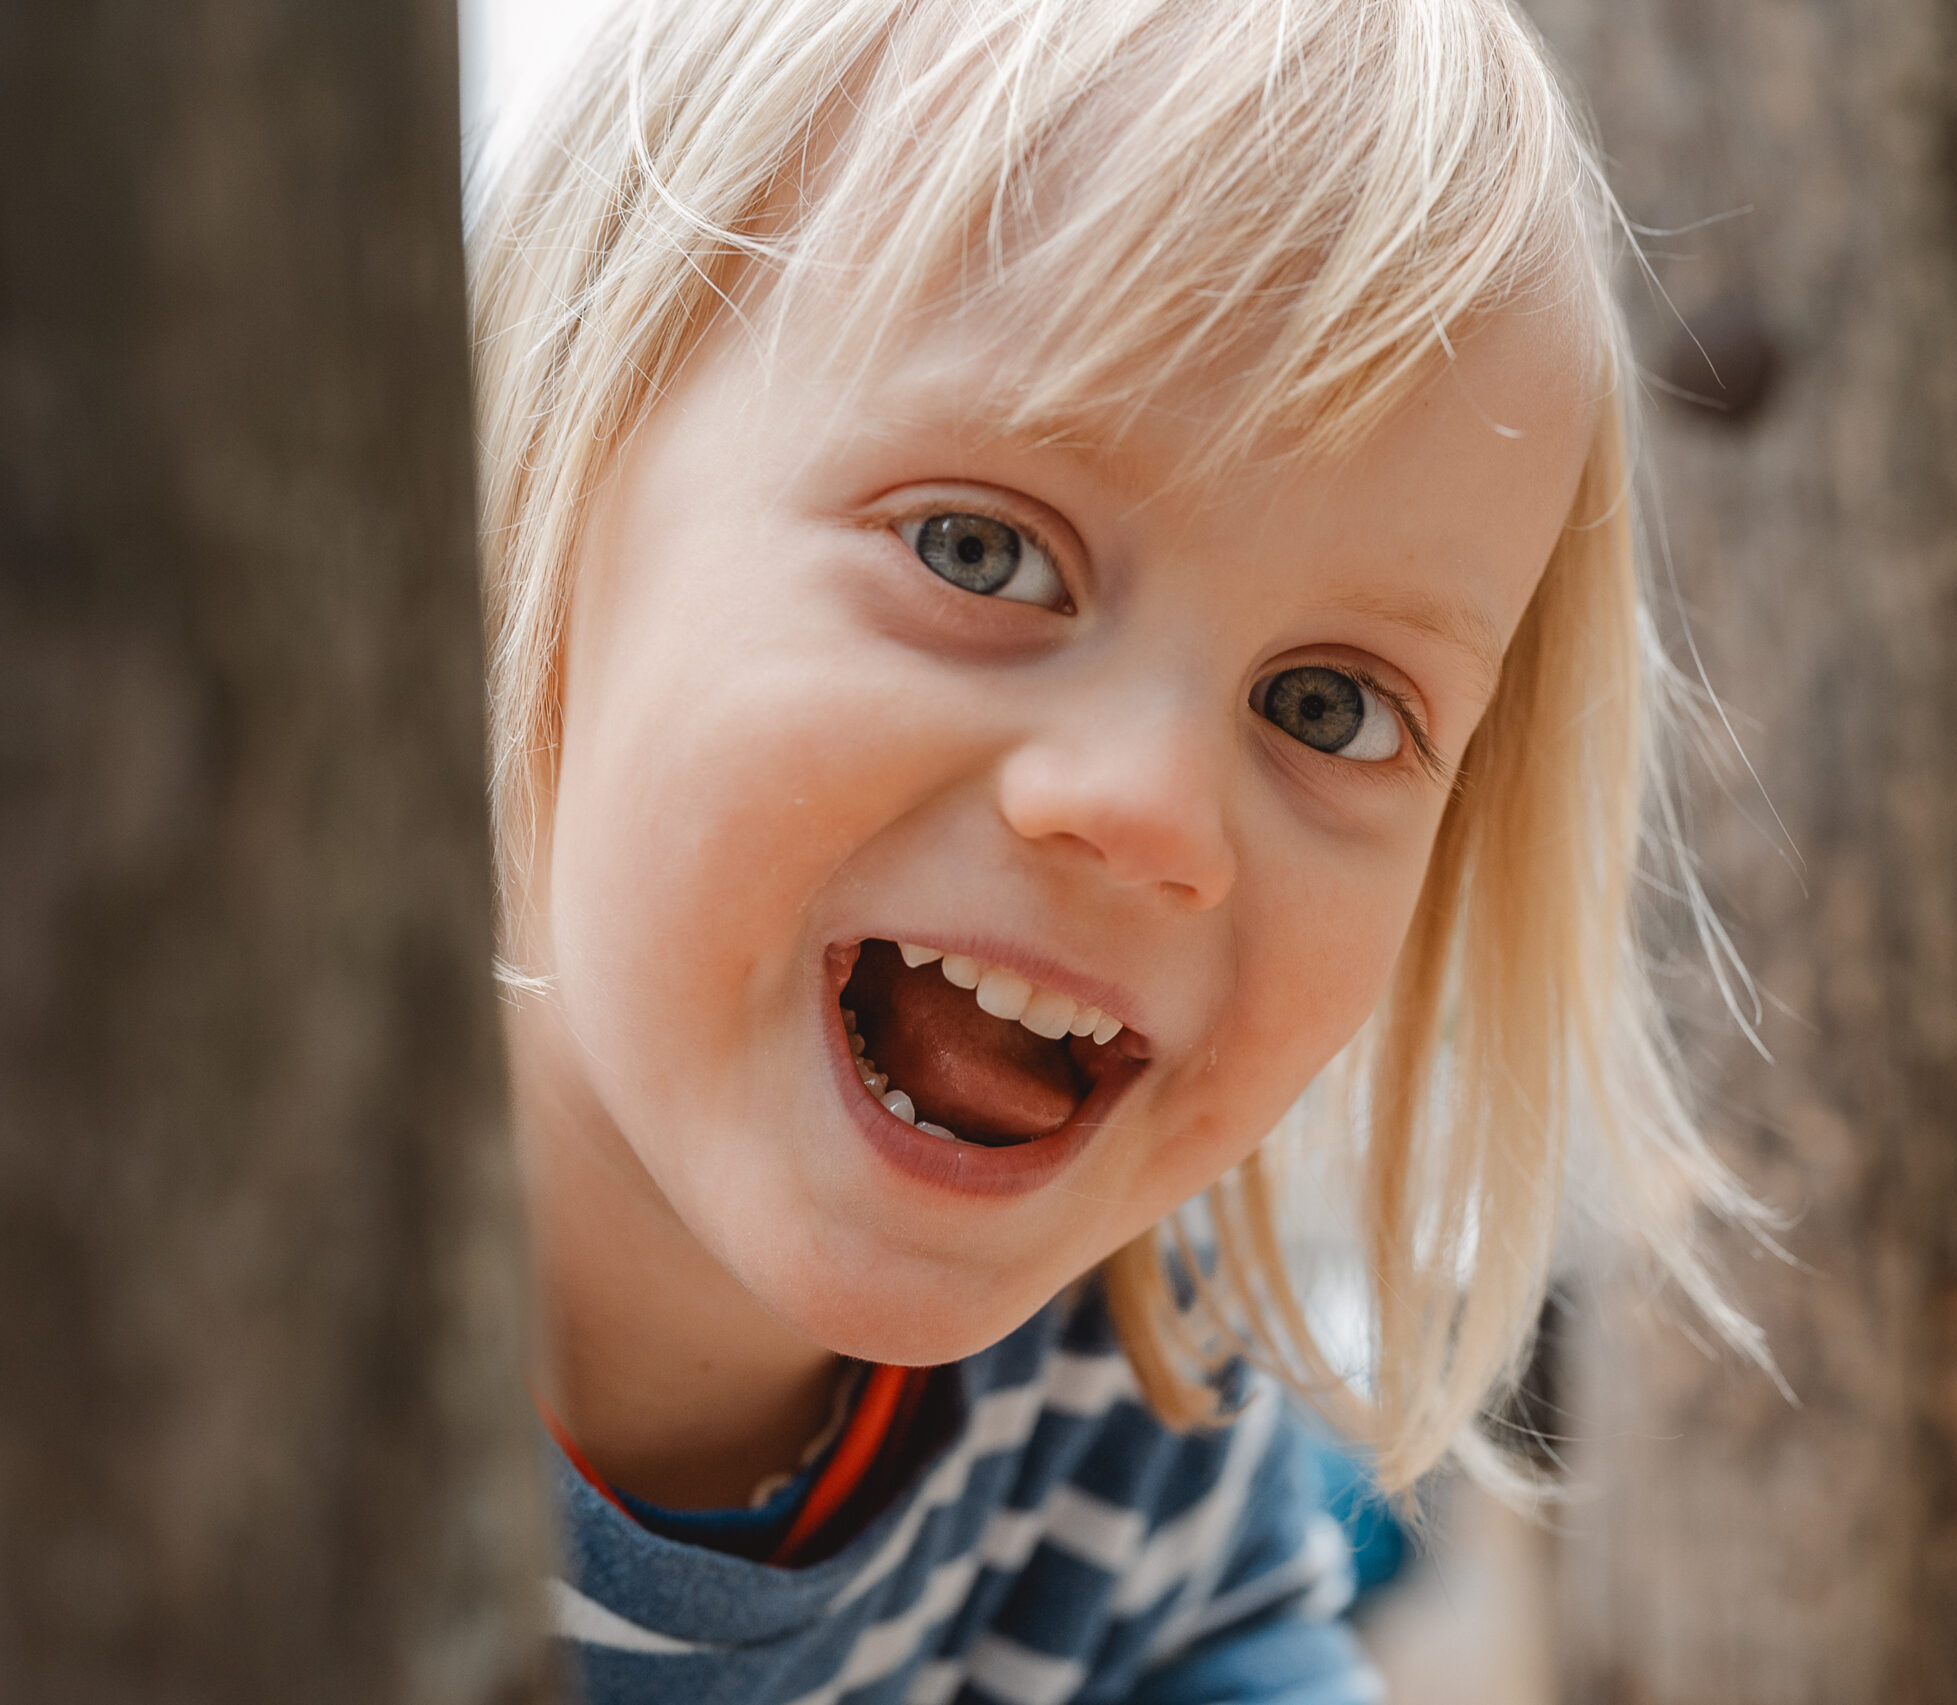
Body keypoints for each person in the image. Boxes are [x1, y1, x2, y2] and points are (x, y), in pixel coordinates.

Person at [468, 0, 1762, 1698]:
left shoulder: (1129, 1400)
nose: (1154, 811)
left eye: (1324, 707)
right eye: (978, 550)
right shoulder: (195, 1320)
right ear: (524, 492)